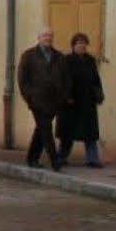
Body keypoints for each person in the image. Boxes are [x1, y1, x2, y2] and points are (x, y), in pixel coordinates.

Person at [17, 27, 70, 171]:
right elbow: (22, 79)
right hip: (37, 101)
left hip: (54, 101)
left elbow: (66, 79)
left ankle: (32, 158)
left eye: (50, 36)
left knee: (41, 129)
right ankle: (55, 160)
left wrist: (64, 96)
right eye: (45, 35)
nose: (48, 38)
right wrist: (29, 97)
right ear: (39, 38)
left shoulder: (59, 57)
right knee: (46, 129)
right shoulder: (28, 55)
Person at [58, 32, 105, 167]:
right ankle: (61, 157)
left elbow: (96, 79)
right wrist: (67, 96)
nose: (82, 46)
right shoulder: (66, 60)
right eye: (79, 43)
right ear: (73, 45)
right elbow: (63, 80)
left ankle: (93, 159)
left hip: (87, 102)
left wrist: (99, 94)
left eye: (84, 43)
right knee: (67, 133)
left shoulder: (90, 60)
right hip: (71, 103)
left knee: (90, 134)